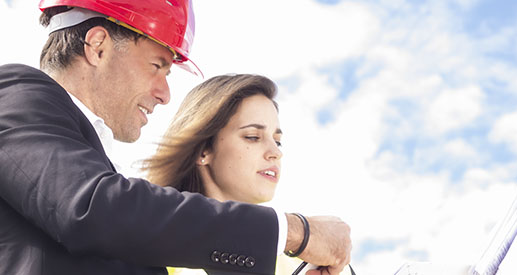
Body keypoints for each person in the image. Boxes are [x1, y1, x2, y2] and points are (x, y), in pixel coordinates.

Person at [0, 1, 351, 274]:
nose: (165, 94)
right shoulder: (16, 93)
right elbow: (92, 208)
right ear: (97, 46)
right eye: (157, 66)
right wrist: (293, 232)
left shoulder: (104, 187)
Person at [143, 74, 354, 275]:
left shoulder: (305, 259)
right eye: (253, 137)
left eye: (277, 140)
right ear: (203, 150)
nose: (276, 153)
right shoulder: (155, 259)